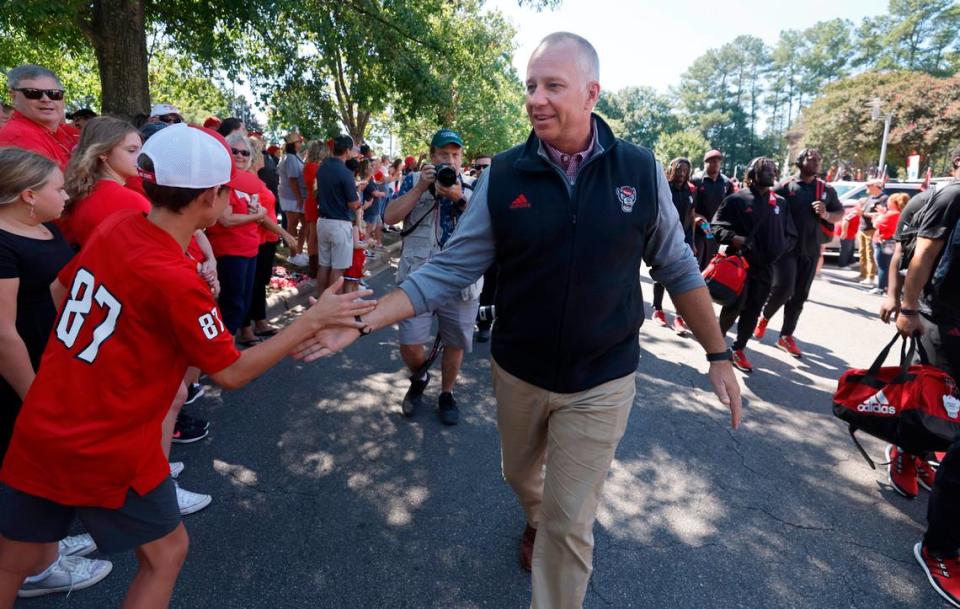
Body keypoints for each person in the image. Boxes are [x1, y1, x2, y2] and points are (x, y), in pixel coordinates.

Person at [293, 32, 741, 609]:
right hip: (520, 371)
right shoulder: (506, 174)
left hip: (602, 378)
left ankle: (550, 533)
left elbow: (679, 268)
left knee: (570, 522)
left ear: (591, 93)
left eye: (553, 85)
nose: (536, 98)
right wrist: (364, 320)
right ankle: (537, 513)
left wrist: (719, 354)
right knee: (519, 474)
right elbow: (449, 269)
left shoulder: (639, 169)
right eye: (531, 85)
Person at [0, 124, 374, 609]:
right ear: (209, 199)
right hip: (109, 440)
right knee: (166, 553)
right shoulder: (175, 280)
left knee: (15, 561)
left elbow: (61, 292)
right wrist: (311, 320)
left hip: (45, 422)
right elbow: (231, 373)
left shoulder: (118, 226)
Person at [0, 148, 111, 597]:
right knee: (26, 469)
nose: (67, 195)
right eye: (59, 188)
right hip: (23, 378)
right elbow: (3, 334)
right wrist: (35, 396)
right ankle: (35, 569)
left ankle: (45, 547)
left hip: (55, 365)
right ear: (28, 194)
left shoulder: (43, 229)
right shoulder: (3, 244)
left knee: (47, 466)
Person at [893, 166, 960, 608]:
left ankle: (916, 453)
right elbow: (919, 256)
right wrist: (904, 306)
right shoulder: (951, 196)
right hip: (945, 322)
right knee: (935, 408)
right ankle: (940, 548)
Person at [382, 129, 480, 425]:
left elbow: (487, 228)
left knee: (455, 342)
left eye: (455, 154)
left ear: (462, 158)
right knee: (409, 341)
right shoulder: (413, 181)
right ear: (431, 155)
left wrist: (459, 198)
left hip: (461, 281)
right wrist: (419, 189)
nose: (449, 160)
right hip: (418, 277)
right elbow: (389, 218)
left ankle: (447, 393)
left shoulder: (475, 188)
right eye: (443, 154)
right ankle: (420, 377)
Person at [754, 148, 842, 357]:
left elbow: (839, 213)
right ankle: (765, 317)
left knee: (801, 294)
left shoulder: (826, 189)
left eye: (819, 160)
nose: (817, 163)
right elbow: (767, 207)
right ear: (801, 162)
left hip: (811, 250)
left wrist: (826, 213)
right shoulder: (785, 186)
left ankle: (786, 336)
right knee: (784, 289)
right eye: (812, 159)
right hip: (787, 249)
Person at [713, 156, 795, 373]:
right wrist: (733, 237)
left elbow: (791, 234)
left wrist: (779, 249)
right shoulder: (736, 199)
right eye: (765, 169)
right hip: (740, 265)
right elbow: (714, 228)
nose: (772, 173)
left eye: (773, 169)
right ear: (752, 174)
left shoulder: (781, 203)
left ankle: (738, 349)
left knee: (753, 310)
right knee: (734, 306)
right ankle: (717, 340)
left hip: (766, 269)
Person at [204, 136, 268, 345]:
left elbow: (254, 210)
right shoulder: (224, 181)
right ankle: (226, 351)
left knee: (244, 300)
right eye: (235, 151)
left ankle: (234, 343)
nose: (240, 156)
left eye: (245, 152)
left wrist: (258, 212)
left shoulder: (247, 183)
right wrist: (257, 215)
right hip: (230, 251)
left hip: (250, 249)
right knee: (232, 302)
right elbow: (226, 219)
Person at [236, 136, 298, 345]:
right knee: (251, 285)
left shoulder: (258, 181)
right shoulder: (248, 183)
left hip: (266, 240)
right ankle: (246, 329)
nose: (265, 158)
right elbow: (261, 217)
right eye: (261, 153)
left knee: (259, 283)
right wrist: (285, 233)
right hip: (259, 239)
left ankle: (260, 321)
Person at [62, 117, 149, 247]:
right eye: (131, 150)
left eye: (141, 149)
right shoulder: (128, 200)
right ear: (103, 153)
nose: (141, 156)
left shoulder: (80, 192)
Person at [0, 65, 79, 171]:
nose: (46, 99)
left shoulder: (62, 132)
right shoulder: (19, 136)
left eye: (54, 94)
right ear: (13, 96)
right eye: (33, 93)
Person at [651, 157, 696, 335]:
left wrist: (692, 242)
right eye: (679, 170)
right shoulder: (664, 187)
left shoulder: (690, 191)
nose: (682, 173)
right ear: (671, 170)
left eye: (685, 170)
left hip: (683, 238)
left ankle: (679, 317)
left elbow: (691, 216)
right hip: (663, 237)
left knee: (681, 277)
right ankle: (658, 309)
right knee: (661, 275)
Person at [314, 135, 361, 294]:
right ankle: (331, 304)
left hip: (323, 221)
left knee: (324, 265)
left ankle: (320, 301)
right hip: (339, 224)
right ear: (347, 151)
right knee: (338, 268)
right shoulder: (345, 172)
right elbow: (353, 204)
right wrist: (360, 199)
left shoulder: (322, 167)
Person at [692, 149, 736, 270]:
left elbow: (730, 207)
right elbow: (688, 205)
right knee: (695, 262)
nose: (716, 163)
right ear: (705, 162)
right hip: (698, 229)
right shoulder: (696, 180)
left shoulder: (726, 183)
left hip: (715, 230)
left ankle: (705, 288)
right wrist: (695, 216)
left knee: (710, 263)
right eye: (712, 161)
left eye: (718, 161)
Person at [277, 132, 308, 266]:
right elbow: (293, 180)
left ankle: (299, 252)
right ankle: (293, 254)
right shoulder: (289, 158)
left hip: (296, 196)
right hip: (292, 196)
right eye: (299, 142)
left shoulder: (293, 157)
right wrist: (299, 197)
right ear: (293, 144)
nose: (301, 144)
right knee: (292, 224)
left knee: (305, 223)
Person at [872, 192, 905, 295]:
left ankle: (881, 288)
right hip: (887, 241)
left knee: (883, 265)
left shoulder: (893, 213)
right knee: (885, 265)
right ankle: (885, 287)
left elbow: (877, 224)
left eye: (889, 200)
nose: (887, 202)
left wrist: (880, 215)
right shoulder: (897, 213)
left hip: (884, 241)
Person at [303, 140, 327, 278]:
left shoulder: (311, 166)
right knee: (314, 235)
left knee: (315, 234)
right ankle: (313, 266)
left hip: (313, 200)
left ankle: (315, 264)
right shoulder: (312, 167)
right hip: (314, 201)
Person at [858, 179, 887, 286]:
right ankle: (863, 274)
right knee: (862, 253)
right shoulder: (870, 197)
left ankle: (870, 277)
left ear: (876, 186)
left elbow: (881, 214)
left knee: (870, 254)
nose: (867, 187)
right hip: (863, 228)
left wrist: (864, 214)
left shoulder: (883, 198)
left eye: (869, 185)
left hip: (872, 230)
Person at [837, 202, 860, 268]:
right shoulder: (854, 212)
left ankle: (852, 261)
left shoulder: (856, 211)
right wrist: (844, 232)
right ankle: (842, 265)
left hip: (851, 232)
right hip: (847, 232)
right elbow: (845, 220)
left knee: (851, 248)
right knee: (846, 249)